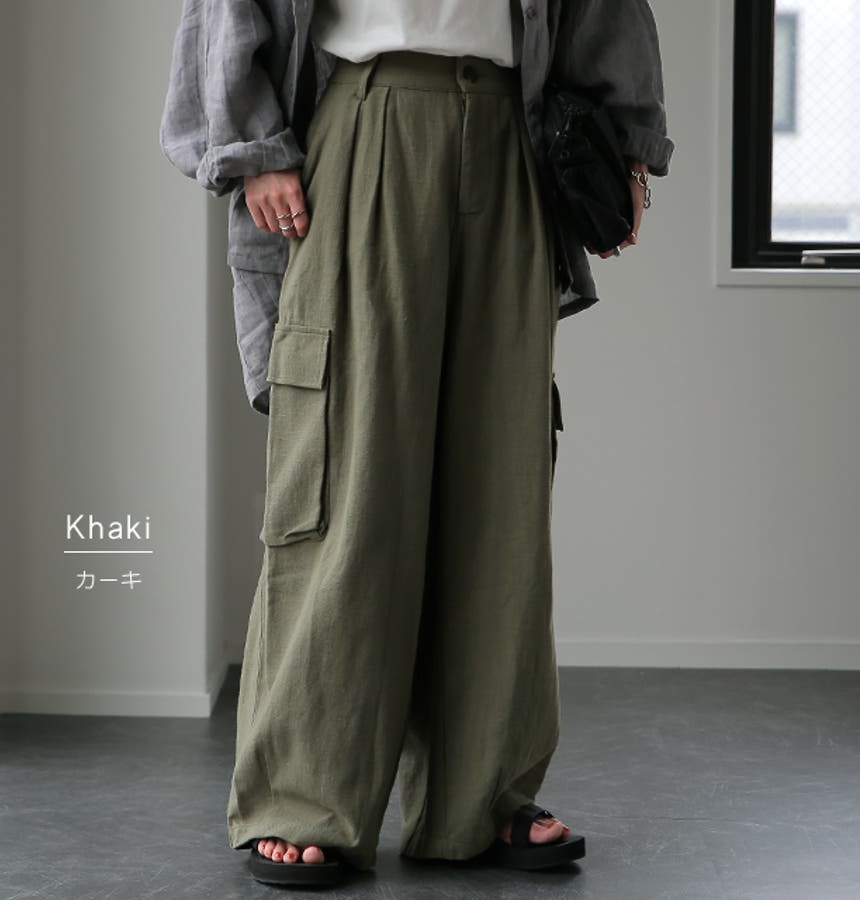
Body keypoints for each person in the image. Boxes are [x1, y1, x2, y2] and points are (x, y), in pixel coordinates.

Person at [160, 0, 674, 888]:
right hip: (368, 124)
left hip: (510, 136)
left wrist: (626, 143)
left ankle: (485, 796)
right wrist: (256, 145)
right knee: (348, 476)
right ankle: (305, 796)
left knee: (500, 481)